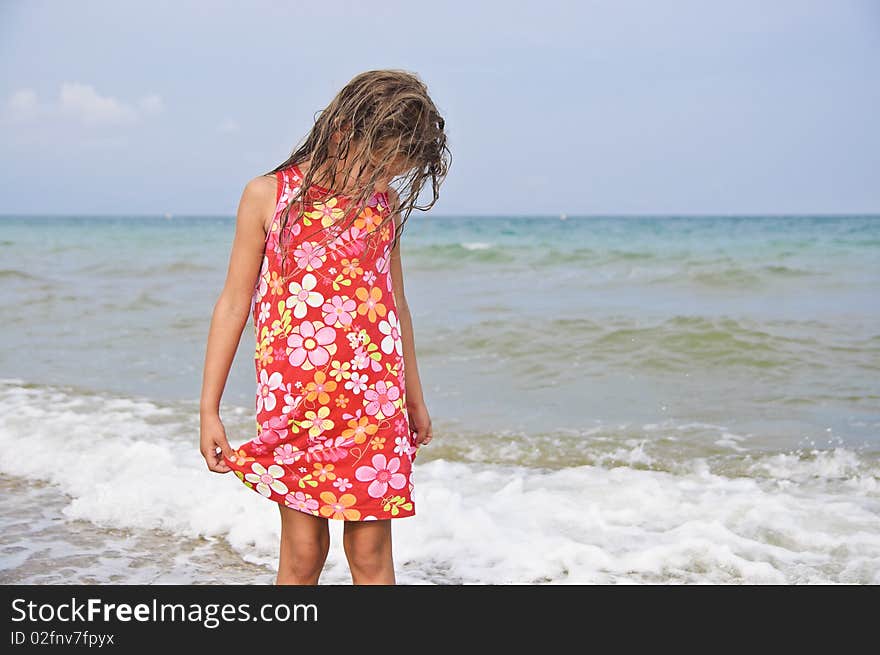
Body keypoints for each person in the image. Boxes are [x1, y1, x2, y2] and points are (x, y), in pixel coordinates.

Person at [199, 69, 451, 585]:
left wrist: (414, 397)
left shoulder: (380, 204)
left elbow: (396, 303)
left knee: (370, 553)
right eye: (378, 162)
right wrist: (209, 408)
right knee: (303, 552)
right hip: (297, 404)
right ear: (343, 132)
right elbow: (232, 303)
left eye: (395, 170)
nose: (383, 177)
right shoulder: (268, 195)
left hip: (373, 401)